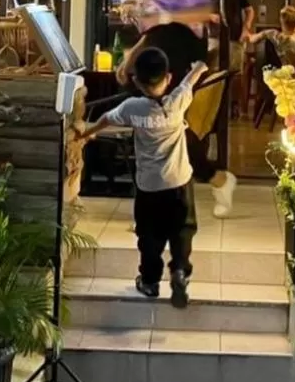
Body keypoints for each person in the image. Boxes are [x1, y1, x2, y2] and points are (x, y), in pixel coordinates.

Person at [120, 0, 239, 218]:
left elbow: (203, 13)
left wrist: (163, 16)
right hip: (159, 51)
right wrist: (132, 53)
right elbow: (153, 27)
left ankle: (207, 181)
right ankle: (211, 180)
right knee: (157, 125)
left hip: (178, 53)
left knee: (161, 124)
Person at [76, 49, 207, 308]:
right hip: (180, 183)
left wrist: (86, 134)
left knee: (149, 236)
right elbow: (189, 82)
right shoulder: (177, 103)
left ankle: (149, 281)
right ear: (167, 78)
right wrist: (199, 67)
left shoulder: (132, 108)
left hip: (149, 187)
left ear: (136, 81)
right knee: (183, 230)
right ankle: (180, 270)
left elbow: (106, 118)